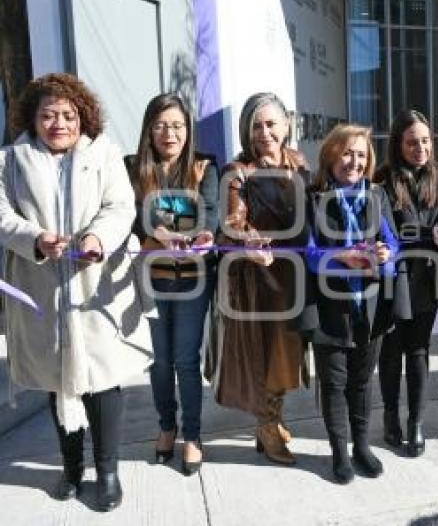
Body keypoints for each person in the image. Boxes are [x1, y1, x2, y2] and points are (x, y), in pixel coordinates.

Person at [0, 72, 153, 511]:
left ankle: (108, 473)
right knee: (59, 380)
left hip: (95, 286)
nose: (59, 123)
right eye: (48, 115)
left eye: (68, 115)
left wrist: (97, 240)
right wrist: (35, 239)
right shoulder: (10, 161)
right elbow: (3, 215)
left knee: (101, 381)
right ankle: (71, 468)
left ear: (83, 117)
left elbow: (121, 206)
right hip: (42, 285)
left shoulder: (103, 154)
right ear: (32, 119)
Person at [207, 92, 314, 465]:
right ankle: (267, 426)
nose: (265, 132)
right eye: (257, 125)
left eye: (271, 123)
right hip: (260, 280)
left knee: (288, 356)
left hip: (296, 276)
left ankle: (273, 418)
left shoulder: (300, 164)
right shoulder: (237, 172)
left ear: (286, 125)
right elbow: (231, 224)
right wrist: (250, 242)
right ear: (246, 131)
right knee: (266, 358)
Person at [306, 123, 406, 483]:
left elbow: (394, 244)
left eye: (361, 155)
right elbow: (308, 255)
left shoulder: (376, 196)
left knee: (361, 383)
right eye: (347, 152)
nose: (355, 161)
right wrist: (342, 257)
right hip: (329, 309)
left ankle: (362, 446)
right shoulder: (314, 197)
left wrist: (385, 251)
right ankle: (340, 452)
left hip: (369, 307)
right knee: (334, 384)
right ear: (331, 154)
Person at [125, 93, 219, 474]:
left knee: (185, 360)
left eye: (178, 125)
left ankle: (193, 436)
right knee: (159, 362)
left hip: (193, 280)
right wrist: (159, 226)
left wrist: (190, 229)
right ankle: (167, 427)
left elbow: (209, 216)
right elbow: (130, 216)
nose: (170, 133)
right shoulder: (131, 169)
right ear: (149, 129)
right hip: (151, 280)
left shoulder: (204, 166)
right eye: (161, 124)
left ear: (189, 130)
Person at [374, 109, 438, 457]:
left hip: (427, 278)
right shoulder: (383, 181)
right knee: (392, 352)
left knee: (420, 351)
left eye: (425, 141)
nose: (420, 148)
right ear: (398, 145)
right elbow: (389, 231)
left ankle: (416, 423)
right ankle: (391, 417)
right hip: (395, 279)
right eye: (412, 142)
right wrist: (427, 235)